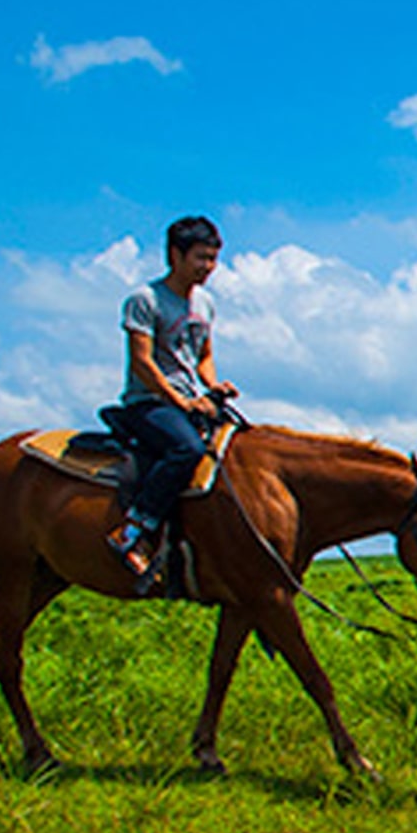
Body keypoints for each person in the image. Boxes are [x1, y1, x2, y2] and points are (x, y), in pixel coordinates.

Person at [106, 216, 239, 577]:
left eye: (213, 259)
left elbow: (204, 356)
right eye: (201, 258)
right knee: (187, 450)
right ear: (175, 256)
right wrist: (181, 403)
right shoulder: (145, 300)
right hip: (149, 403)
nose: (209, 267)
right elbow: (143, 362)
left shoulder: (205, 304)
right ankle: (135, 529)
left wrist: (214, 386)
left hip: (192, 401)